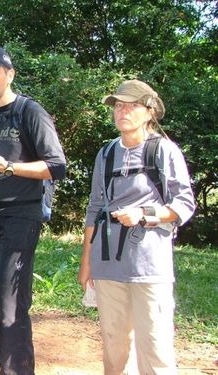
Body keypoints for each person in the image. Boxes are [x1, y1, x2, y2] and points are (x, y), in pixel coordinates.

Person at [0, 47, 66, 375]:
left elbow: (56, 167)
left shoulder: (30, 112)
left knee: (11, 303)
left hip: (21, 214)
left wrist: (7, 167)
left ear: (10, 75)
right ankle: (7, 367)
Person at [77, 79, 195, 374]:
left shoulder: (164, 151)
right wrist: (86, 263)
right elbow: (94, 209)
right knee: (114, 347)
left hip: (149, 267)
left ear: (149, 111)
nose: (122, 111)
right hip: (107, 265)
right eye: (118, 106)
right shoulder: (106, 154)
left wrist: (144, 213)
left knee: (155, 347)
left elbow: (184, 204)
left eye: (131, 106)